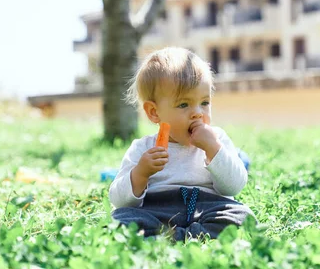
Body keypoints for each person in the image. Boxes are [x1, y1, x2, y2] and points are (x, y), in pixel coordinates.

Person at [109, 47, 255, 241]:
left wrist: (213, 149)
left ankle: (169, 239)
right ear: (154, 112)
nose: (198, 113)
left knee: (243, 218)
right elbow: (118, 201)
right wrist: (140, 174)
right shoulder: (143, 148)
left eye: (204, 102)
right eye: (184, 104)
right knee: (120, 220)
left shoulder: (217, 139)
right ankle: (190, 238)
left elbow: (234, 187)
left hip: (208, 207)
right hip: (157, 211)